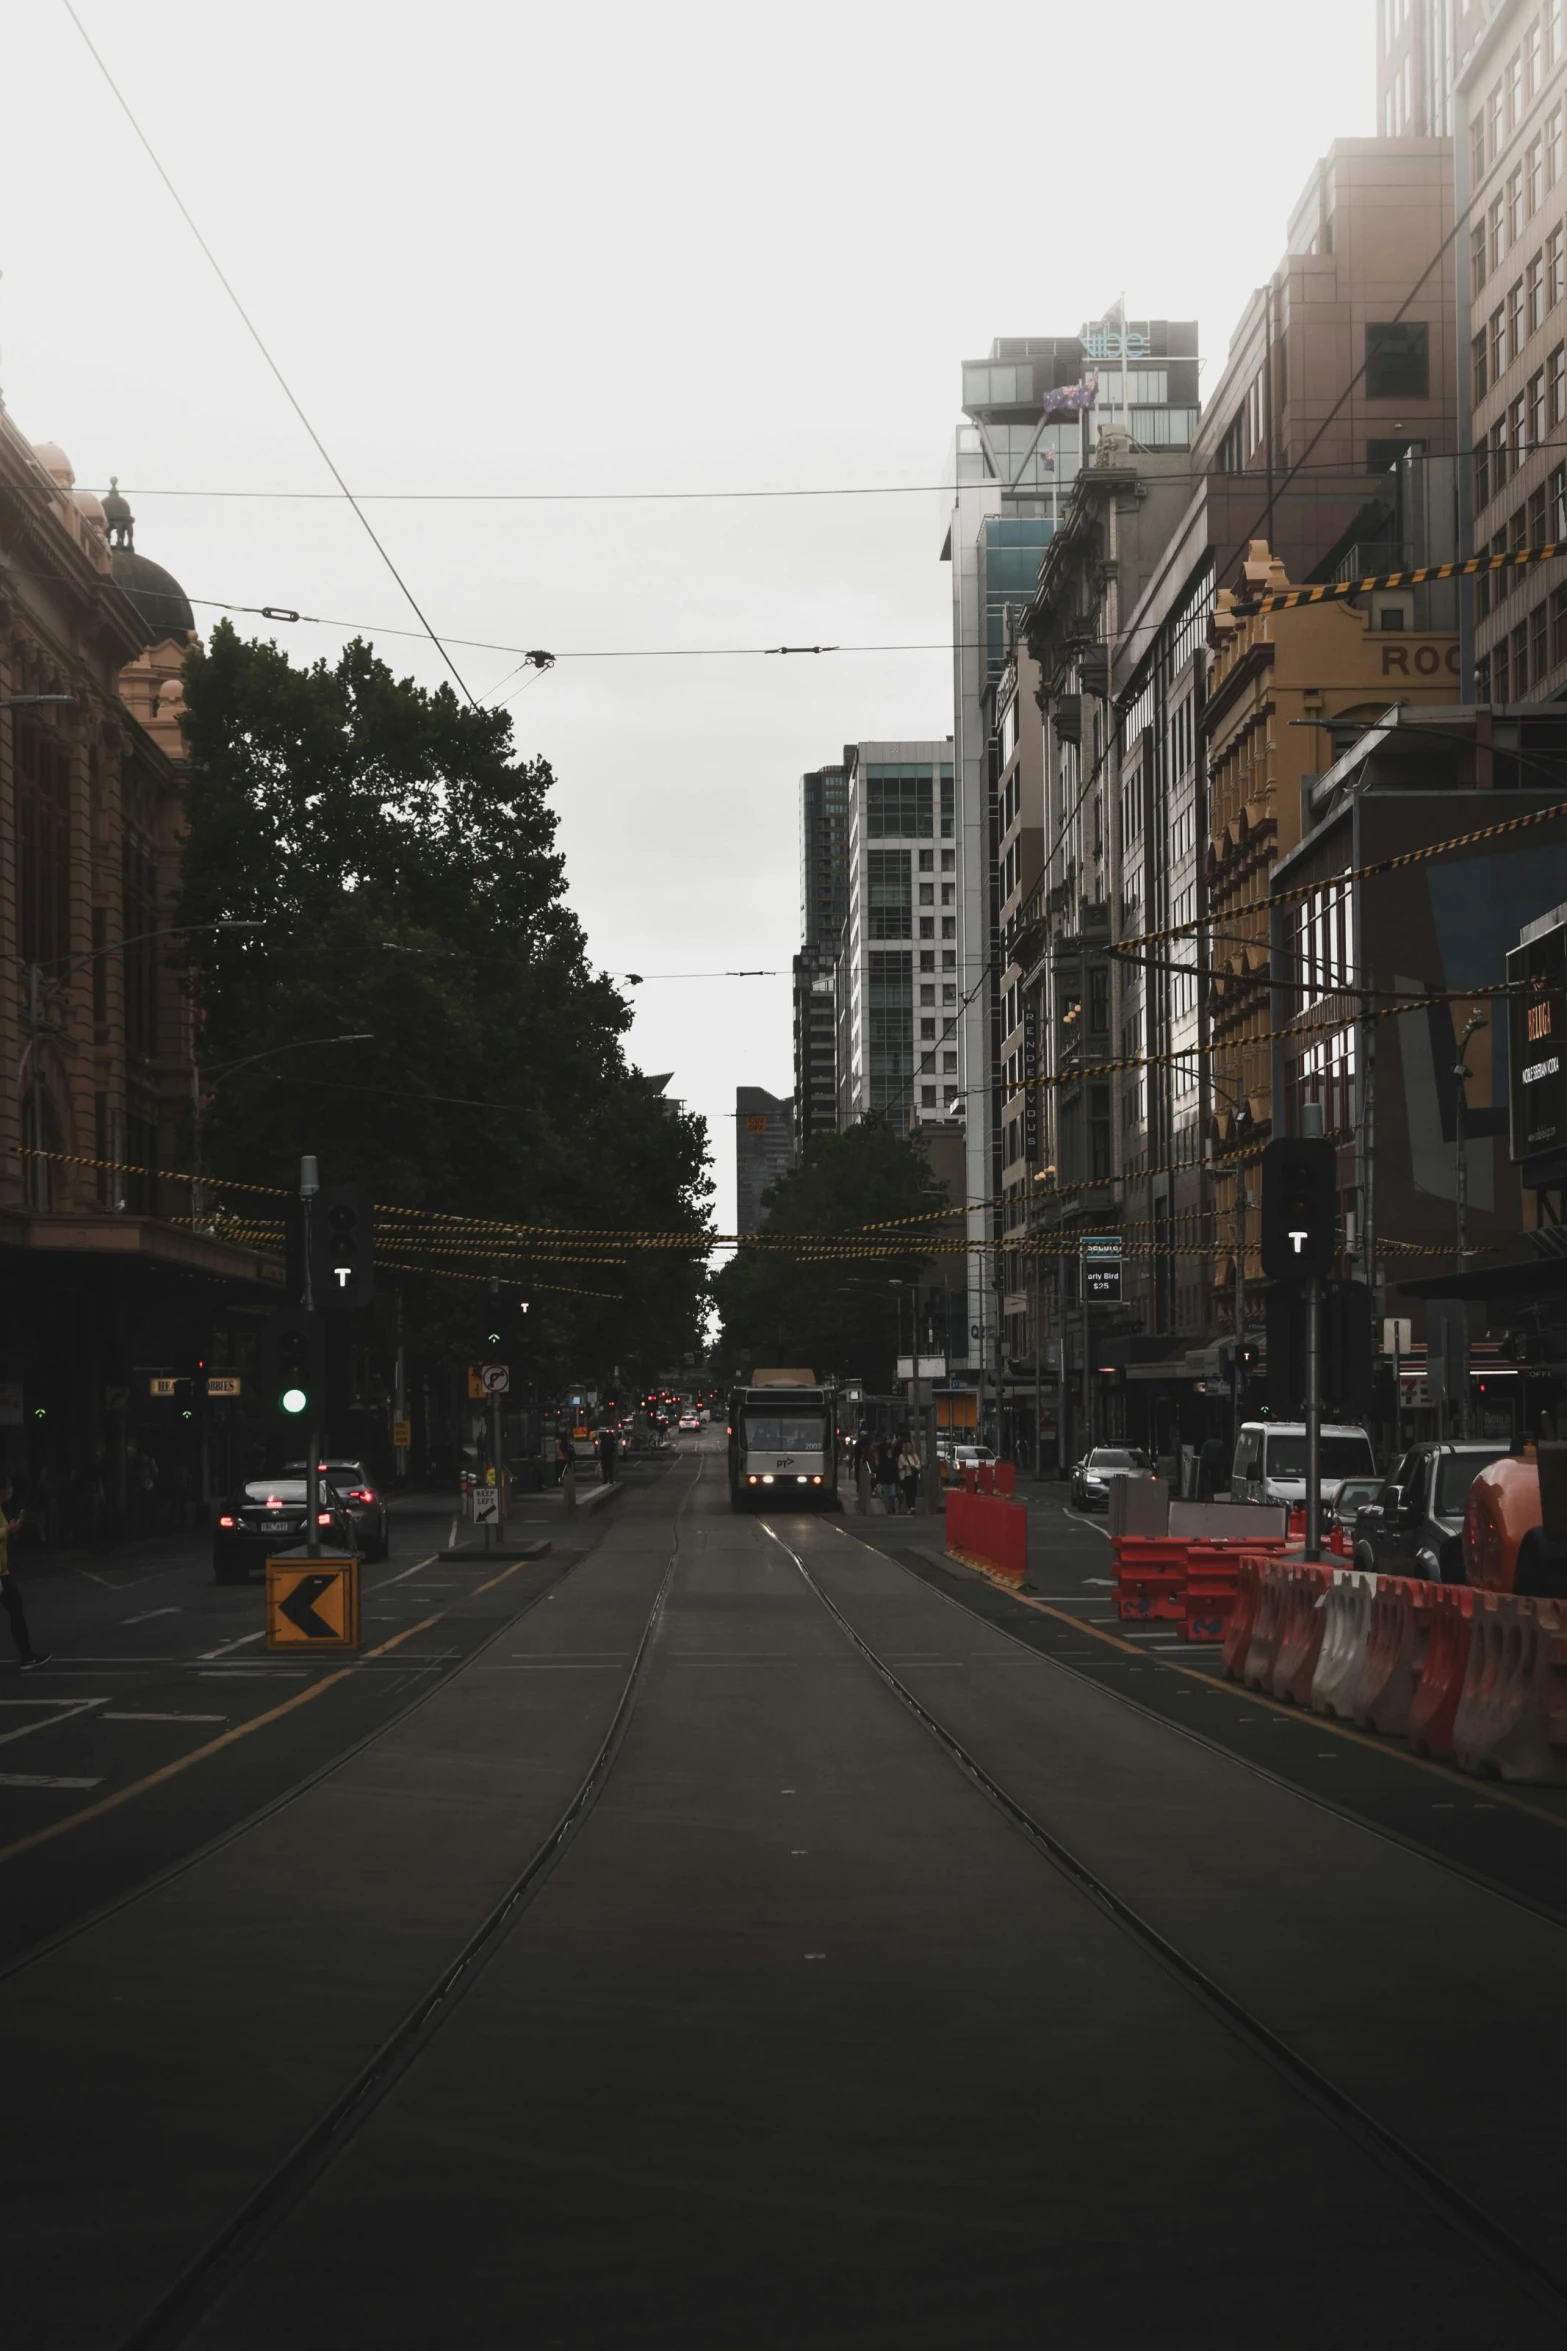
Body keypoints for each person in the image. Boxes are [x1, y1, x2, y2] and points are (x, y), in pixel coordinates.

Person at [0, 1477, 47, 1669]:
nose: (11, 1492)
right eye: (8, 1489)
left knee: (17, 1611)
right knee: (16, 1612)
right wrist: (7, 1530)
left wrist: (9, 1528)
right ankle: (27, 1656)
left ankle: (27, 1656)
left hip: (3, 1573)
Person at [898, 1432, 921, 1516]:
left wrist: (914, 1467)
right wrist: (912, 1466)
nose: (909, 1448)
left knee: (913, 1492)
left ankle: (912, 1506)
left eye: (910, 1447)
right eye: (907, 1447)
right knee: (908, 1492)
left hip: (913, 1476)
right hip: (906, 1476)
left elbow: (918, 1464)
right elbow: (903, 1465)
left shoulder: (914, 1456)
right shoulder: (902, 1456)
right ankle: (909, 1507)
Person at [877, 1439, 901, 1515]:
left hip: (892, 1480)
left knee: (892, 1494)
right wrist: (879, 1480)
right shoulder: (883, 1460)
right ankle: (889, 1509)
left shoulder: (893, 1460)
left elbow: (896, 1471)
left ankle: (891, 1506)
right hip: (885, 1480)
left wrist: (897, 1480)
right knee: (887, 1495)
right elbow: (880, 1470)